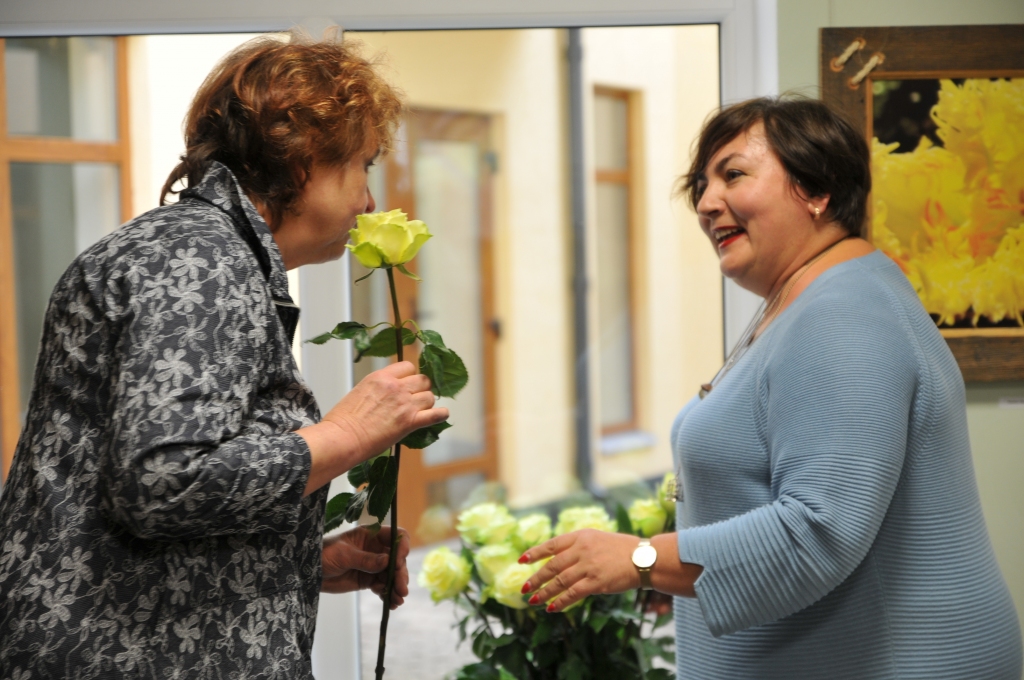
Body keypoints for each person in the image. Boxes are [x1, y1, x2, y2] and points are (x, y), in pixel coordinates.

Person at [519, 97, 1022, 679]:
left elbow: (819, 530)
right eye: (699, 186)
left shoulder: (845, 311)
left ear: (817, 189)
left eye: (733, 174)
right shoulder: (809, 298)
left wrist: (640, 559)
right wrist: (682, 567)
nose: (707, 204)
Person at [0, 34, 448, 678]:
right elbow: (164, 478)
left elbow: (138, 506)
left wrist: (304, 563)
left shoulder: (198, 252)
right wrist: (348, 433)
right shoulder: (202, 260)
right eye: (364, 166)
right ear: (304, 159)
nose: (369, 201)